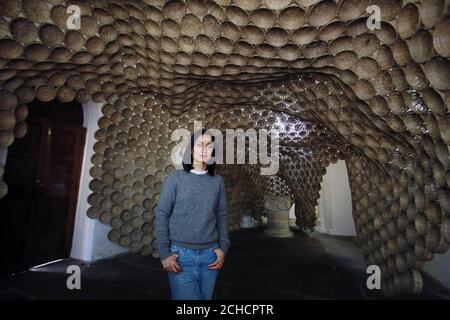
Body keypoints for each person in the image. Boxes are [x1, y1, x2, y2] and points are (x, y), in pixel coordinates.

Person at [155, 128, 230, 300]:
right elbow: (162, 215)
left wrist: (223, 247)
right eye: (199, 145)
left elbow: (222, 215)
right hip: (180, 256)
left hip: (210, 256)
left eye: (209, 145)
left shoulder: (217, 181)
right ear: (191, 150)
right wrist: (165, 253)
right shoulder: (175, 178)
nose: (204, 149)